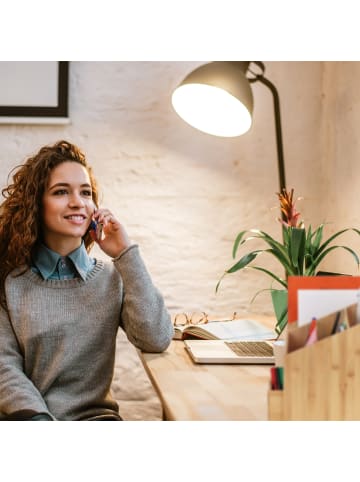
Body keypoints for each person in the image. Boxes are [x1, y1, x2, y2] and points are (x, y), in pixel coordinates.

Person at [0, 140, 174, 421]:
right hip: (27, 419)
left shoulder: (111, 278)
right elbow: (4, 368)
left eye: (86, 193)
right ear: (36, 204)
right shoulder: (10, 282)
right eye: (60, 192)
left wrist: (125, 253)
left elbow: (156, 338)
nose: (77, 202)